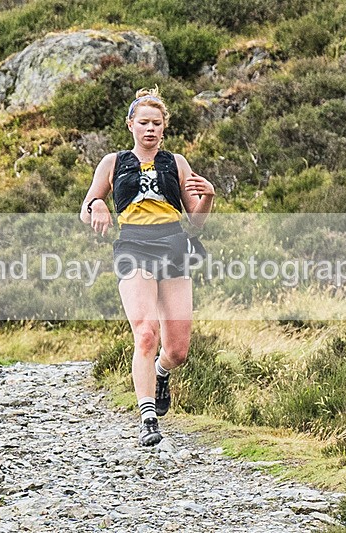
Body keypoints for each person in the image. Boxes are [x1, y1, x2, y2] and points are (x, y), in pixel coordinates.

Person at [80, 87, 215, 446]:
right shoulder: (113, 162)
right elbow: (88, 203)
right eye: (144, 123)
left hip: (173, 245)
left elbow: (196, 223)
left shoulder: (177, 163)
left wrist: (209, 198)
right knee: (145, 333)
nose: (150, 129)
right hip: (133, 246)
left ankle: (161, 373)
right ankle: (148, 417)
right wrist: (98, 206)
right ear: (131, 125)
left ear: (164, 127)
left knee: (177, 351)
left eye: (156, 123)